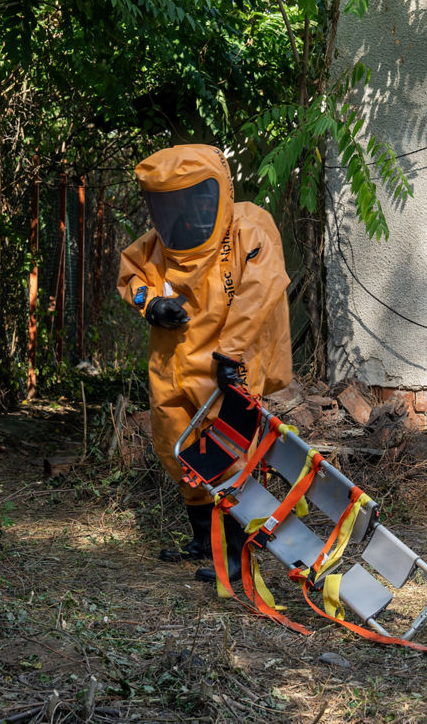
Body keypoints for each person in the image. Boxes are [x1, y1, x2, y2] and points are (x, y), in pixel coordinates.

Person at [117, 144, 291, 579]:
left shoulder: (247, 232)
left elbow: (258, 296)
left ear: (217, 192)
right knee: (177, 449)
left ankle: (236, 554)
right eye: (168, 202)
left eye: (192, 198)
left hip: (223, 369)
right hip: (171, 367)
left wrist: (231, 355)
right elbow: (132, 273)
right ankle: (202, 539)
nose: (182, 212)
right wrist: (151, 303)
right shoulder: (159, 245)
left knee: (230, 457)